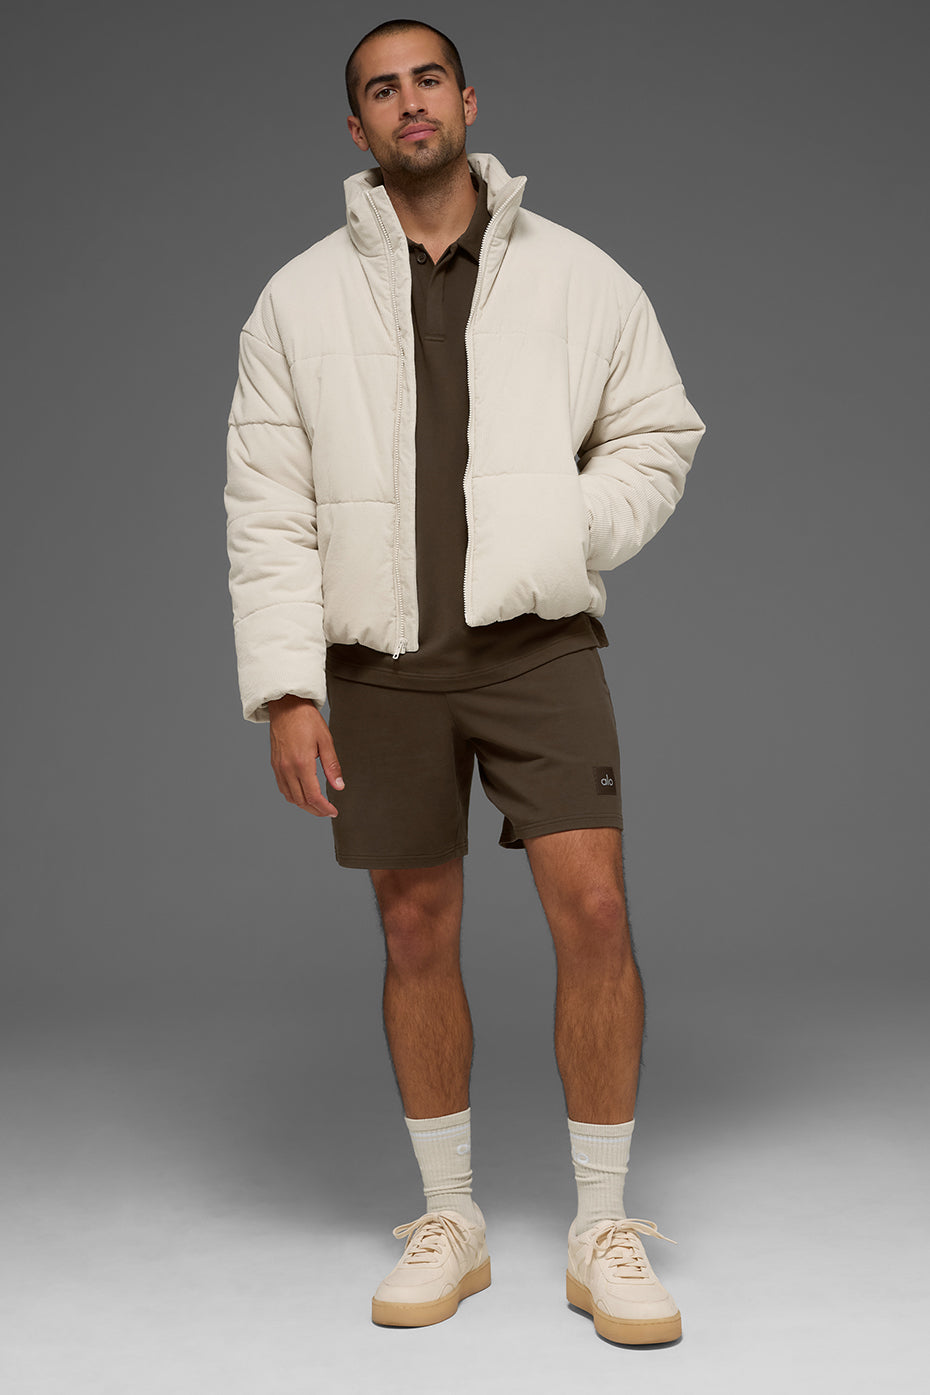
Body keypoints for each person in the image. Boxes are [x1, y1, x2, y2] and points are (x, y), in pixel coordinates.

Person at [225, 17, 704, 1346]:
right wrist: (287, 688)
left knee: (594, 911)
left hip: (537, 645)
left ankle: (602, 1226)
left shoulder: (579, 277)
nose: (409, 103)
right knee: (414, 930)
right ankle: (452, 1219)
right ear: (357, 127)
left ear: (468, 99)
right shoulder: (296, 300)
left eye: (426, 79)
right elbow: (266, 505)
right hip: (378, 666)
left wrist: (564, 529)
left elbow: (657, 432)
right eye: (381, 90)